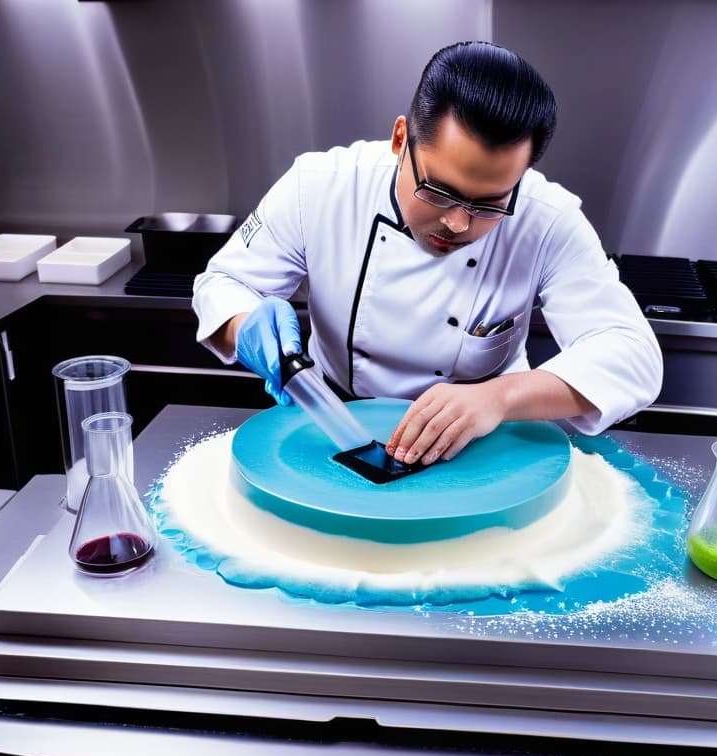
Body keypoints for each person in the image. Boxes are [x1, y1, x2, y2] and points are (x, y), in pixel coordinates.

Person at [193, 40, 662, 467]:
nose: (458, 223)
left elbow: (632, 354)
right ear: (401, 140)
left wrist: (499, 398)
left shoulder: (547, 218)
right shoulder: (320, 185)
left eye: (489, 204)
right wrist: (246, 325)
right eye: (438, 191)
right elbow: (225, 284)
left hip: (489, 445)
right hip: (335, 428)